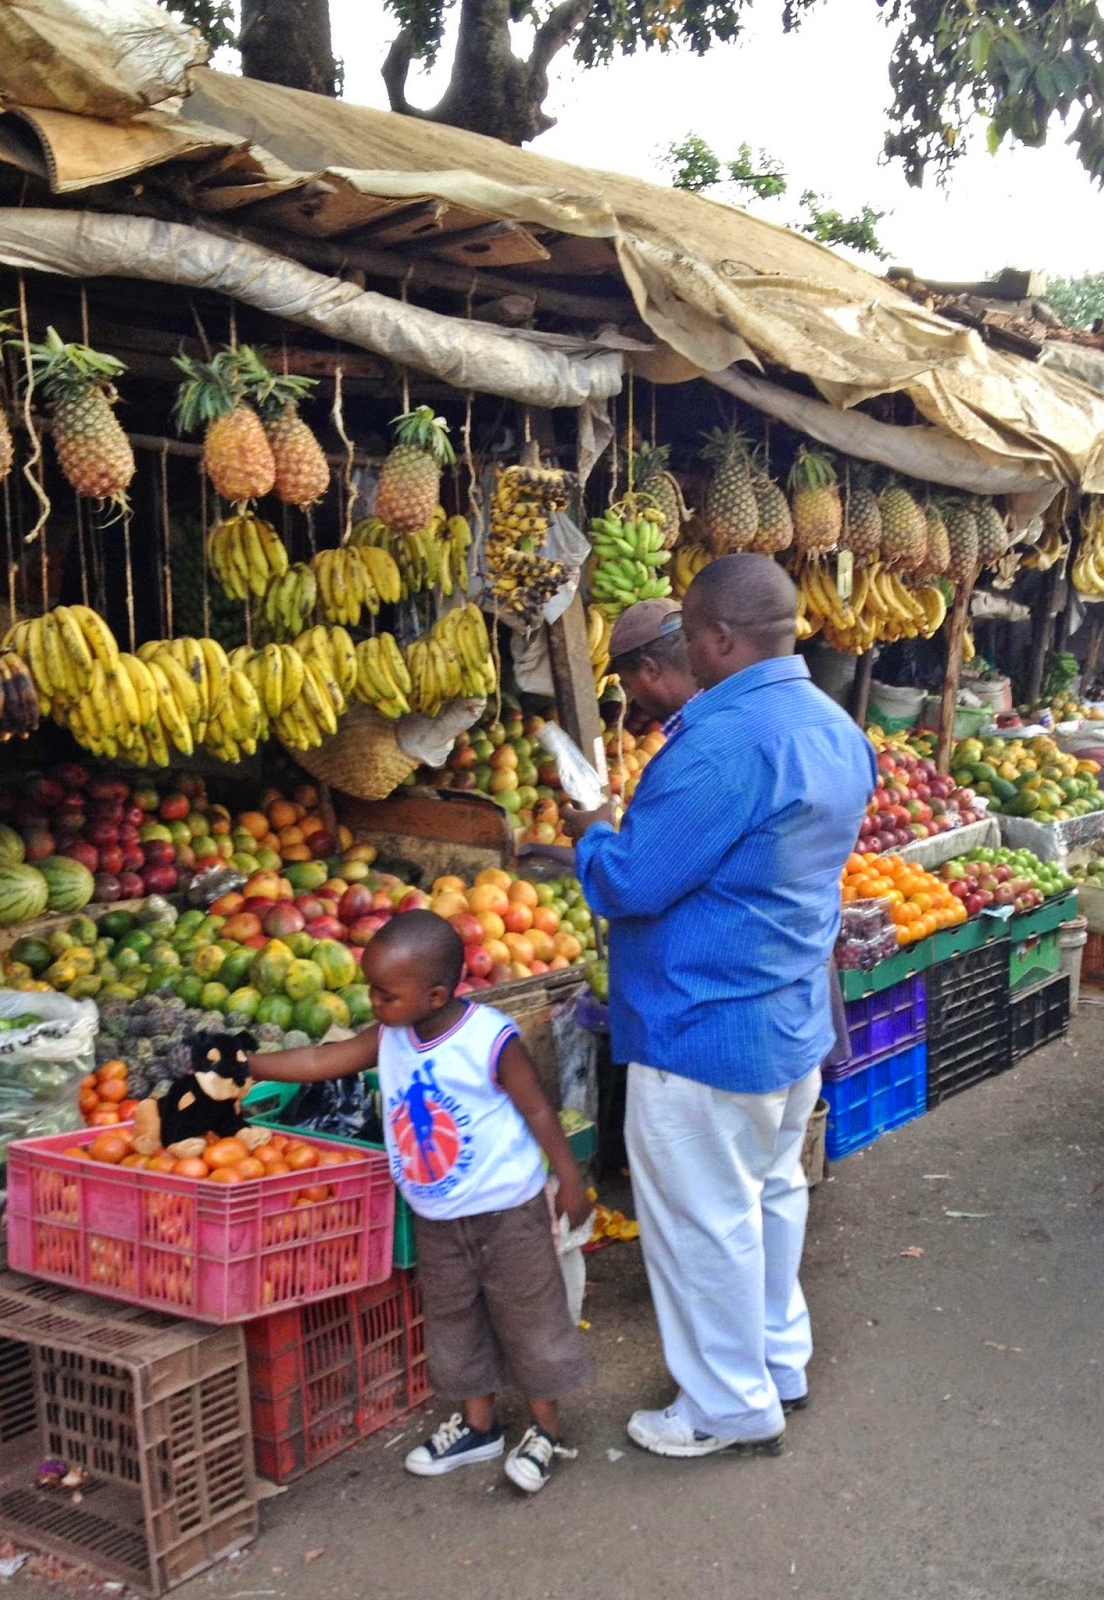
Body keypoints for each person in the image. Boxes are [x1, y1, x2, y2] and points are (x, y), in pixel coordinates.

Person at [564, 552, 875, 1460]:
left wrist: (588, 833)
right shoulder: (830, 724)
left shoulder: (721, 744)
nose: (685, 648)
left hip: (702, 1027)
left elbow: (631, 882)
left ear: (718, 637)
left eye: (691, 631)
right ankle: (779, 1365)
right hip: (785, 1020)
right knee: (772, 1200)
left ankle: (725, 1407)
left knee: (705, 1224)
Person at [248, 909, 593, 1494]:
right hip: (436, 1217)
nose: (373, 1002)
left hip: (506, 1212)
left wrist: (571, 1181)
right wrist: (242, 1065)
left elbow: (538, 1108)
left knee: (530, 1321)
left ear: (434, 994)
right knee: (455, 1323)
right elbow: (318, 1061)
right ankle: (478, 1427)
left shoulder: (490, 1037)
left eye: (385, 994)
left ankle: (546, 1429)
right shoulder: (390, 1036)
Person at [607, 597, 698, 724]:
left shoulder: (692, 740)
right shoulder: (729, 702)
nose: (633, 698)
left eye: (629, 685)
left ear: (650, 669)